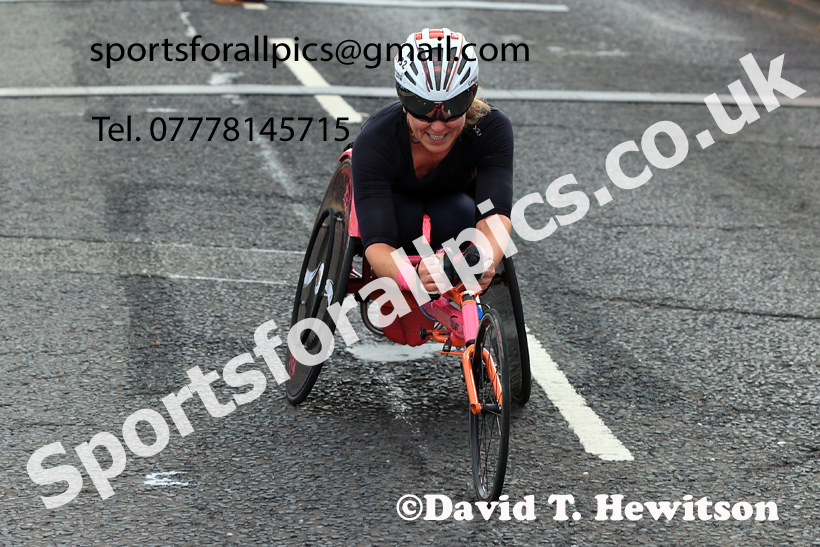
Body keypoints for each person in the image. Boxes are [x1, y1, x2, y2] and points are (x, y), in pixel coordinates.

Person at [351, 28, 514, 345]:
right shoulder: (375, 140)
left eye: (453, 107)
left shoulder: (492, 127)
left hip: (454, 214)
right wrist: (413, 278)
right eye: (424, 109)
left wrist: (484, 259)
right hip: (398, 220)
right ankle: (422, 306)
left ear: (472, 94)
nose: (438, 125)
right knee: (406, 211)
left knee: (456, 209)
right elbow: (376, 244)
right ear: (403, 97)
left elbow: (495, 214)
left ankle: (451, 296)